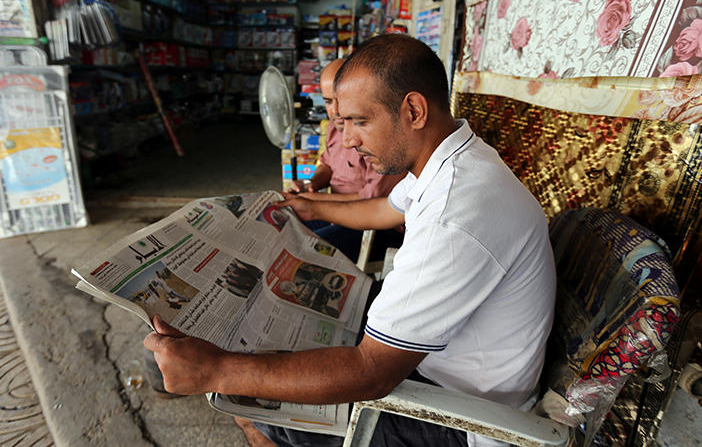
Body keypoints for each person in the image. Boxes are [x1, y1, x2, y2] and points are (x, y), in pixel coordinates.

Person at [144, 34, 556, 447]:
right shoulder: (454, 161)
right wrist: (313, 208)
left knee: (248, 402)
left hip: (463, 417)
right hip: (442, 362)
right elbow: (383, 211)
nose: (351, 141)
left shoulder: (455, 215)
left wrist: (216, 371)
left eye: (360, 121)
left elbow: (371, 370)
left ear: (413, 110)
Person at [289, 58, 405, 262]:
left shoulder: (379, 138)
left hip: (372, 225)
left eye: (339, 99)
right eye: (327, 101)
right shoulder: (335, 126)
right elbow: (327, 163)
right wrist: (310, 185)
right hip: (335, 209)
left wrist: (314, 202)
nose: (334, 111)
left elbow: (372, 201)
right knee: (284, 227)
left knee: (306, 253)